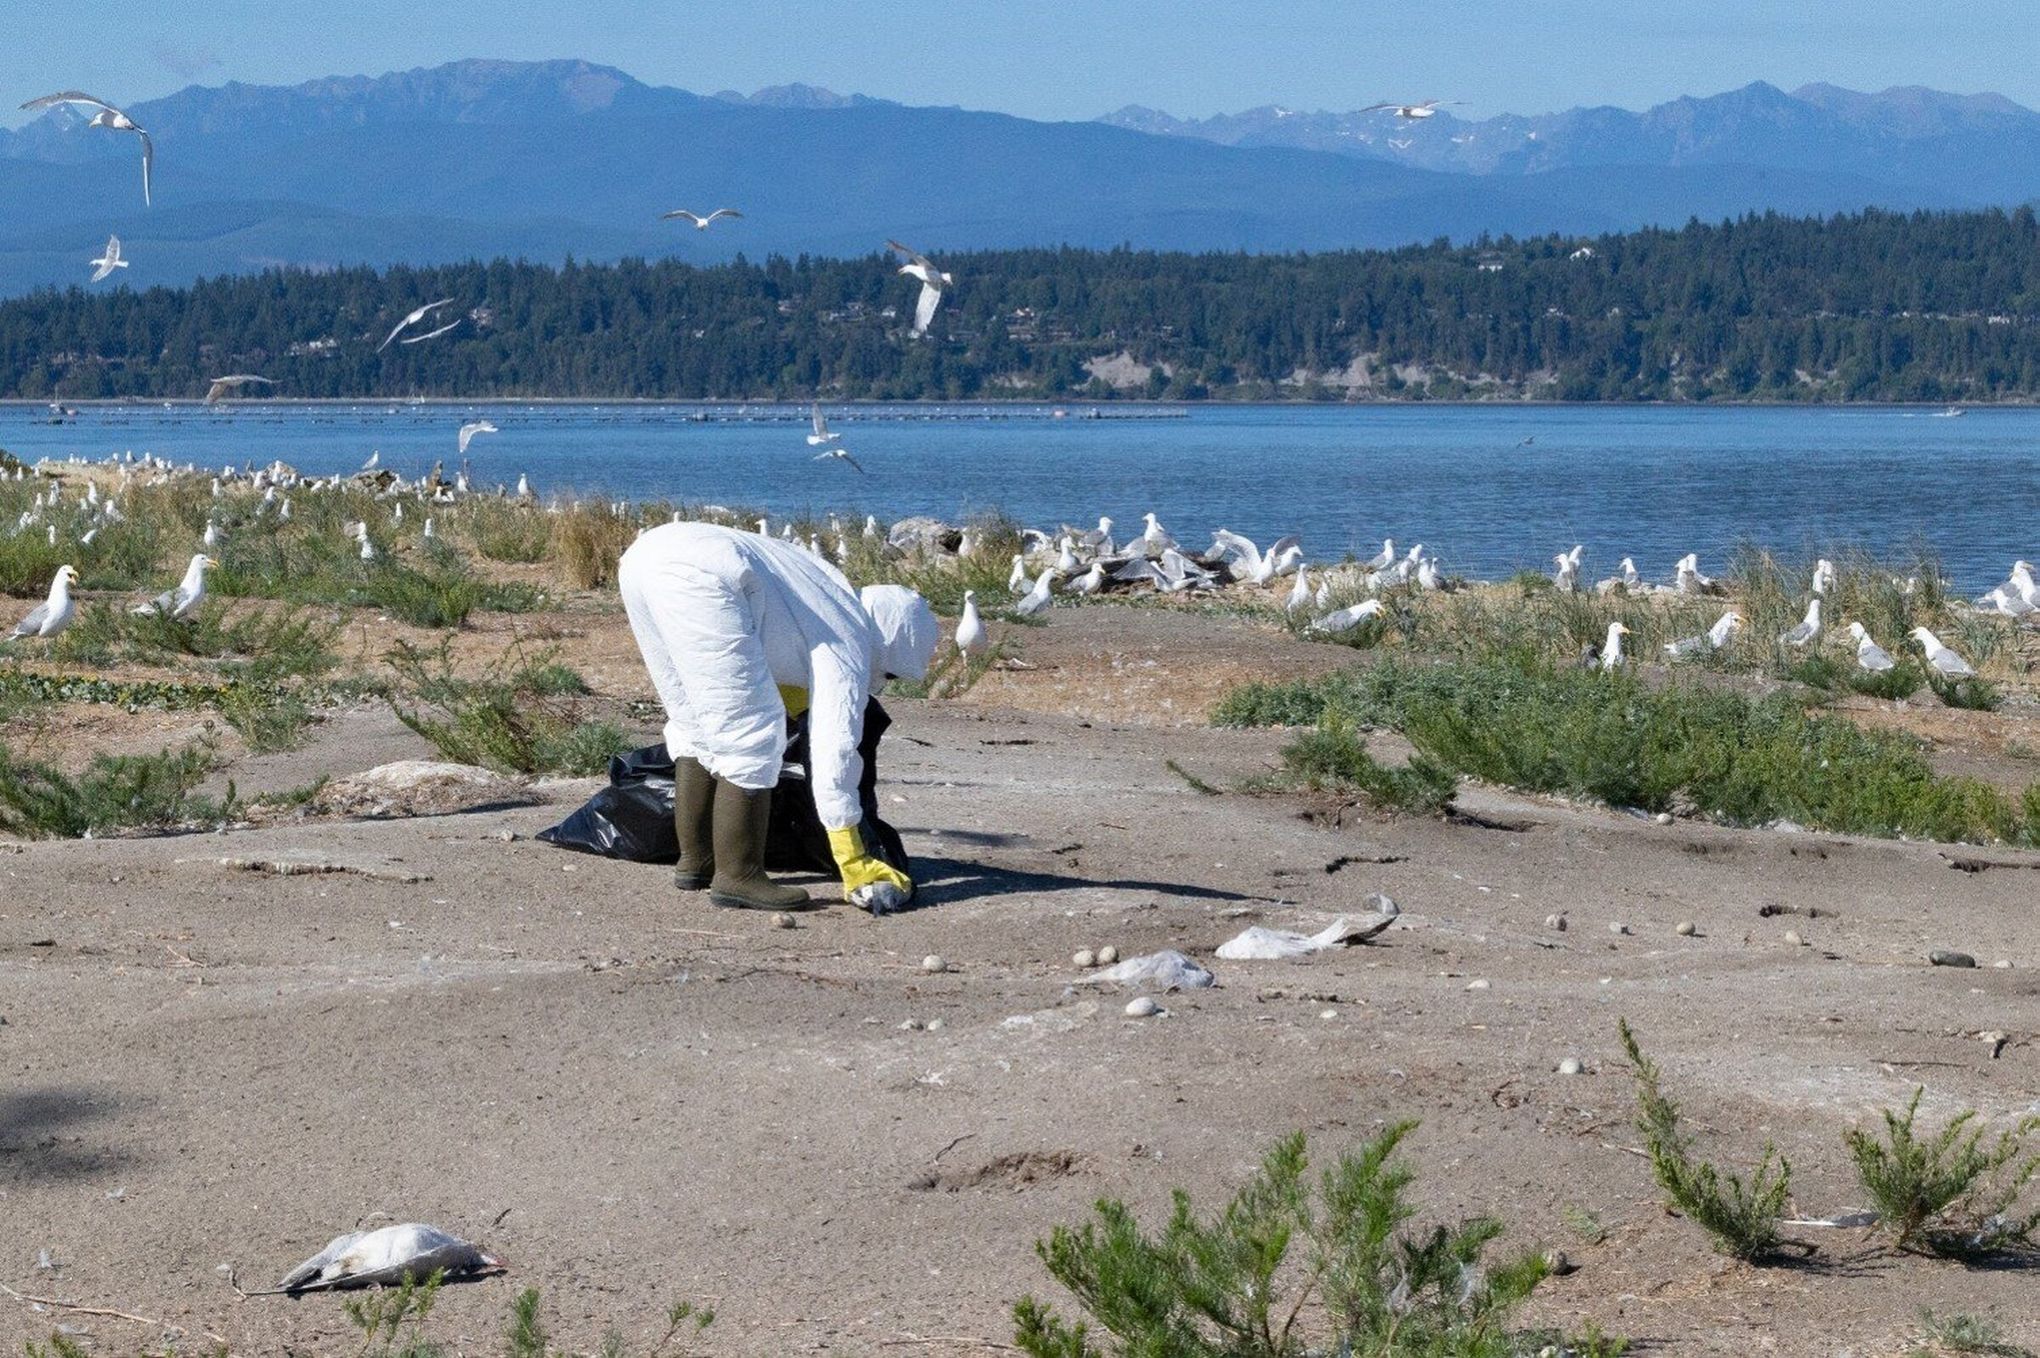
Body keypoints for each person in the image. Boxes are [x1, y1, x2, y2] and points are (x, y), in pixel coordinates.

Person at [617, 521, 937, 912]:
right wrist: (854, 858)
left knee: (695, 725)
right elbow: (834, 748)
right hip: (704, 575)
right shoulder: (850, 630)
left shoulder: (821, 595)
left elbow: (772, 649)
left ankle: (697, 861)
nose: (882, 682)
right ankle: (739, 876)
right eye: (889, 672)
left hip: (644, 557)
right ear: (889, 641)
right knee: (752, 734)